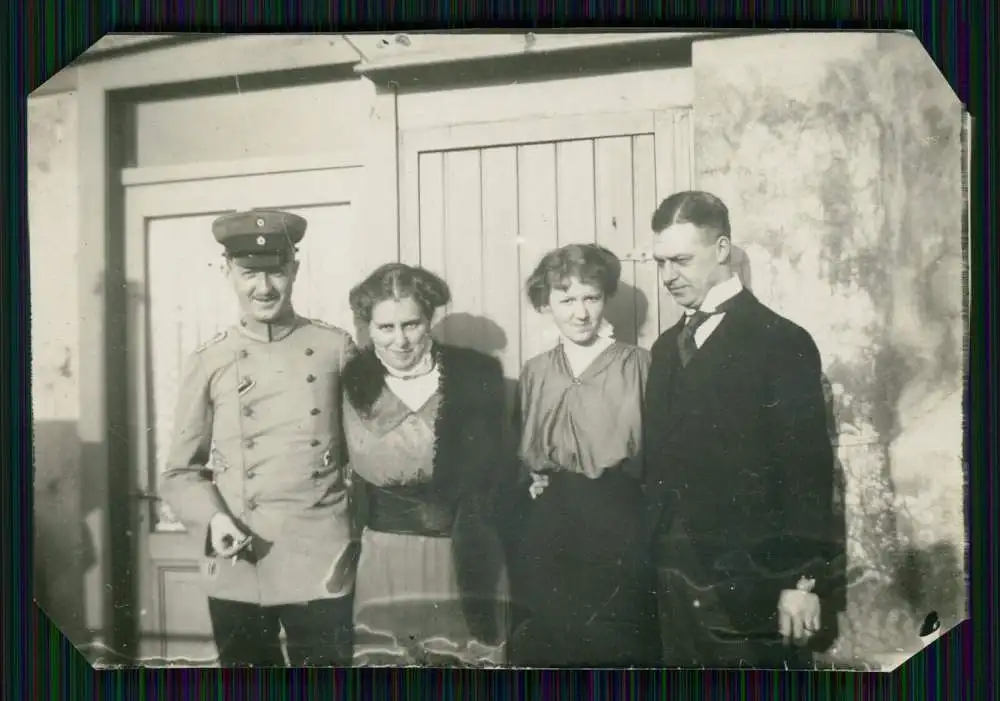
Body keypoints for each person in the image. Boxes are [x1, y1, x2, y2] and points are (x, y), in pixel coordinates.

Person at [643, 191, 843, 669]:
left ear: (721, 249)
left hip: (754, 583)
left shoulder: (782, 341)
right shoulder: (665, 348)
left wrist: (802, 581)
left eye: (681, 260)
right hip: (673, 577)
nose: (668, 275)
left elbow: (806, 471)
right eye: (661, 262)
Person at [160, 209, 358, 667]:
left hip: (322, 557)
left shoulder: (335, 348)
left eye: (276, 272)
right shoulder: (209, 360)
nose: (264, 288)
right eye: (249, 273)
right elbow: (181, 472)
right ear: (227, 272)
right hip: (240, 559)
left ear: (295, 269)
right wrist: (213, 520)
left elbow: (364, 452)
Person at [342, 263, 512, 667]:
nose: (400, 340)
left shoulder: (477, 376)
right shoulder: (350, 382)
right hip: (384, 556)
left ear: (429, 320)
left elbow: (499, 470)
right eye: (386, 327)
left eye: (411, 324)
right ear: (368, 328)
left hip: (461, 556)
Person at [508, 243, 661, 668]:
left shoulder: (638, 365)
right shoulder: (536, 370)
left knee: (615, 642)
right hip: (550, 523)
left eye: (590, 298)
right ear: (547, 304)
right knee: (554, 642)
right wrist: (533, 479)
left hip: (619, 519)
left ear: (605, 298)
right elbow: (524, 449)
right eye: (566, 299)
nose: (580, 313)